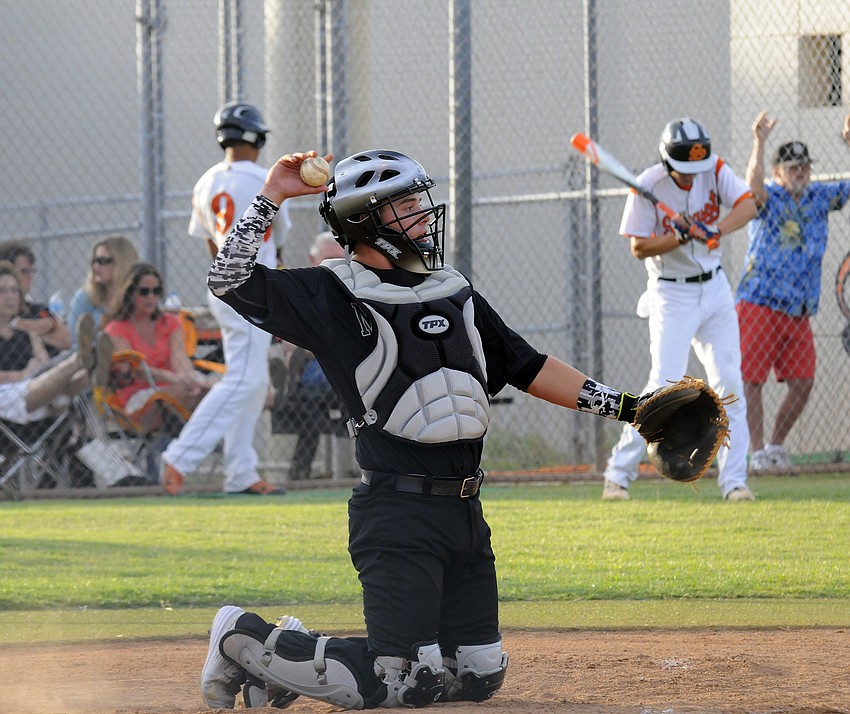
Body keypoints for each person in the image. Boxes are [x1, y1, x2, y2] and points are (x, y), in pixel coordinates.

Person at [197, 149, 678, 710]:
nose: (423, 214)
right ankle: (241, 636)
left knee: (476, 676)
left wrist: (629, 408)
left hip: (465, 513)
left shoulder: (451, 287)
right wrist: (272, 195)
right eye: (404, 204)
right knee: (401, 682)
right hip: (395, 512)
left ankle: (287, 660)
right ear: (364, 219)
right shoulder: (330, 292)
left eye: (419, 200)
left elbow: (528, 366)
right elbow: (226, 278)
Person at [601, 118, 758, 502]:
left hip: (715, 288)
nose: (692, 178)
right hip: (671, 294)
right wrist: (677, 236)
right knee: (663, 383)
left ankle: (735, 482)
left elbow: (749, 204)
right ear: (669, 164)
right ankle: (617, 475)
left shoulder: (714, 168)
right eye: (684, 172)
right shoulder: (648, 184)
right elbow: (638, 247)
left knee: (730, 384)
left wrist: (716, 229)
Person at [159, 101, 290, 496]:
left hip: (223, 286)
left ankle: (240, 472)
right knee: (245, 379)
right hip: (252, 287)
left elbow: (209, 245)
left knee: (250, 379)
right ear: (257, 137)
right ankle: (179, 457)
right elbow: (276, 236)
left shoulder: (205, 181)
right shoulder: (262, 178)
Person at [735, 112, 850, 471]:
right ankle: (756, 454)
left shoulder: (819, 196)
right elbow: (752, 189)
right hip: (760, 301)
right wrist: (759, 142)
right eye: (793, 168)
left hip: (799, 309)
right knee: (751, 380)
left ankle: (775, 447)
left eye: (805, 167)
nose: (801, 173)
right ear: (778, 173)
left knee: (803, 382)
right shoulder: (769, 198)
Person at [269, 231, 348, 480]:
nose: (334, 267)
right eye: (328, 260)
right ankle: (290, 378)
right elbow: (293, 342)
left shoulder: (352, 290)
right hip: (315, 363)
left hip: (340, 361)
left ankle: (291, 378)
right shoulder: (299, 290)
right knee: (324, 368)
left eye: (339, 260)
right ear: (313, 260)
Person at [101, 263, 213, 433]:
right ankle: (196, 445)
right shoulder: (116, 329)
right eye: (144, 292)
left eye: (156, 291)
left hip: (176, 388)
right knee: (208, 394)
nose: (151, 297)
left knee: (226, 389)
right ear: (130, 293)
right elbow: (136, 370)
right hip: (139, 397)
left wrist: (190, 378)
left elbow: (180, 359)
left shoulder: (170, 322)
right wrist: (176, 379)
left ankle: (225, 449)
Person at [0, 262, 90, 425]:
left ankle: (90, 369)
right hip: (7, 399)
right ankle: (82, 360)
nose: (10, 296)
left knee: (62, 379)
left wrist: (37, 369)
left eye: (14, 290)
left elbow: (44, 363)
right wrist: (23, 375)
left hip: (38, 392)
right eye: (2, 290)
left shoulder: (28, 333)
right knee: (50, 384)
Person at [0, 241, 72, 357]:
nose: (30, 276)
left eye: (31, 271)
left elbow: (66, 341)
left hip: (52, 365)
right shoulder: (6, 312)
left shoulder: (38, 309)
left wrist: (25, 330)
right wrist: (44, 329)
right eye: (24, 271)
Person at [66, 235, 139, 349]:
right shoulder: (84, 297)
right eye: (94, 261)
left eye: (103, 261)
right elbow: (73, 341)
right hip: (87, 358)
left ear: (122, 263)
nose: (96, 266)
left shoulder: (141, 296)